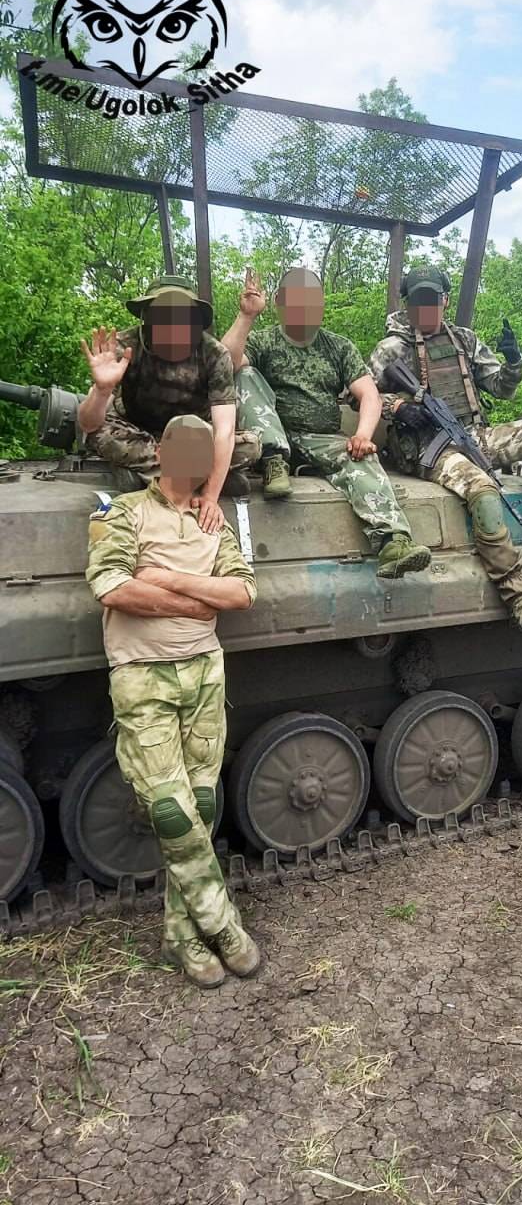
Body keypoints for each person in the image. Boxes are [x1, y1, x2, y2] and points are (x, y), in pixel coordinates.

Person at [85, 413, 260, 989]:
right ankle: (222, 924)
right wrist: (197, 605)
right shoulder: (123, 512)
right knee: (170, 810)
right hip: (143, 674)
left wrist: (171, 581)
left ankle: (181, 933)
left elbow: (243, 590)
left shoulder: (213, 520)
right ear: (160, 452)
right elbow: (112, 585)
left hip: (204, 673)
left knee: (201, 806)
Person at [368, 266, 522, 633]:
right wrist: (397, 407)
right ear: (408, 304)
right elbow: (356, 395)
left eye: (433, 300)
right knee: (483, 489)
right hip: (426, 446)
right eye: (419, 301)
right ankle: (520, 595)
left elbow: (501, 389)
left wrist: (513, 364)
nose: (426, 309)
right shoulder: (391, 348)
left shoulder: (464, 340)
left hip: (472, 435)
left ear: (445, 301)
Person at [222, 266, 432, 580]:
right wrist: (246, 316)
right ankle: (273, 461)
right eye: (297, 301)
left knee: (362, 458)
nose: (306, 308)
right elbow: (224, 365)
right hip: (268, 436)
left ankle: (393, 542)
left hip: (321, 436)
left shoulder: (338, 347)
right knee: (245, 373)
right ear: (280, 303)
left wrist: (363, 435)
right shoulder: (263, 341)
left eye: (313, 301)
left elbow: (369, 394)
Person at [77, 275, 263, 534]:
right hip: (138, 433)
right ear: (147, 318)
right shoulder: (124, 347)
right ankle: (191, 478)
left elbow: (225, 431)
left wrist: (210, 497)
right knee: (100, 434)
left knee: (250, 446)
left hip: (193, 439)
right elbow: (88, 424)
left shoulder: (213, 354)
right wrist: (102, 390)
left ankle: (150, 478)